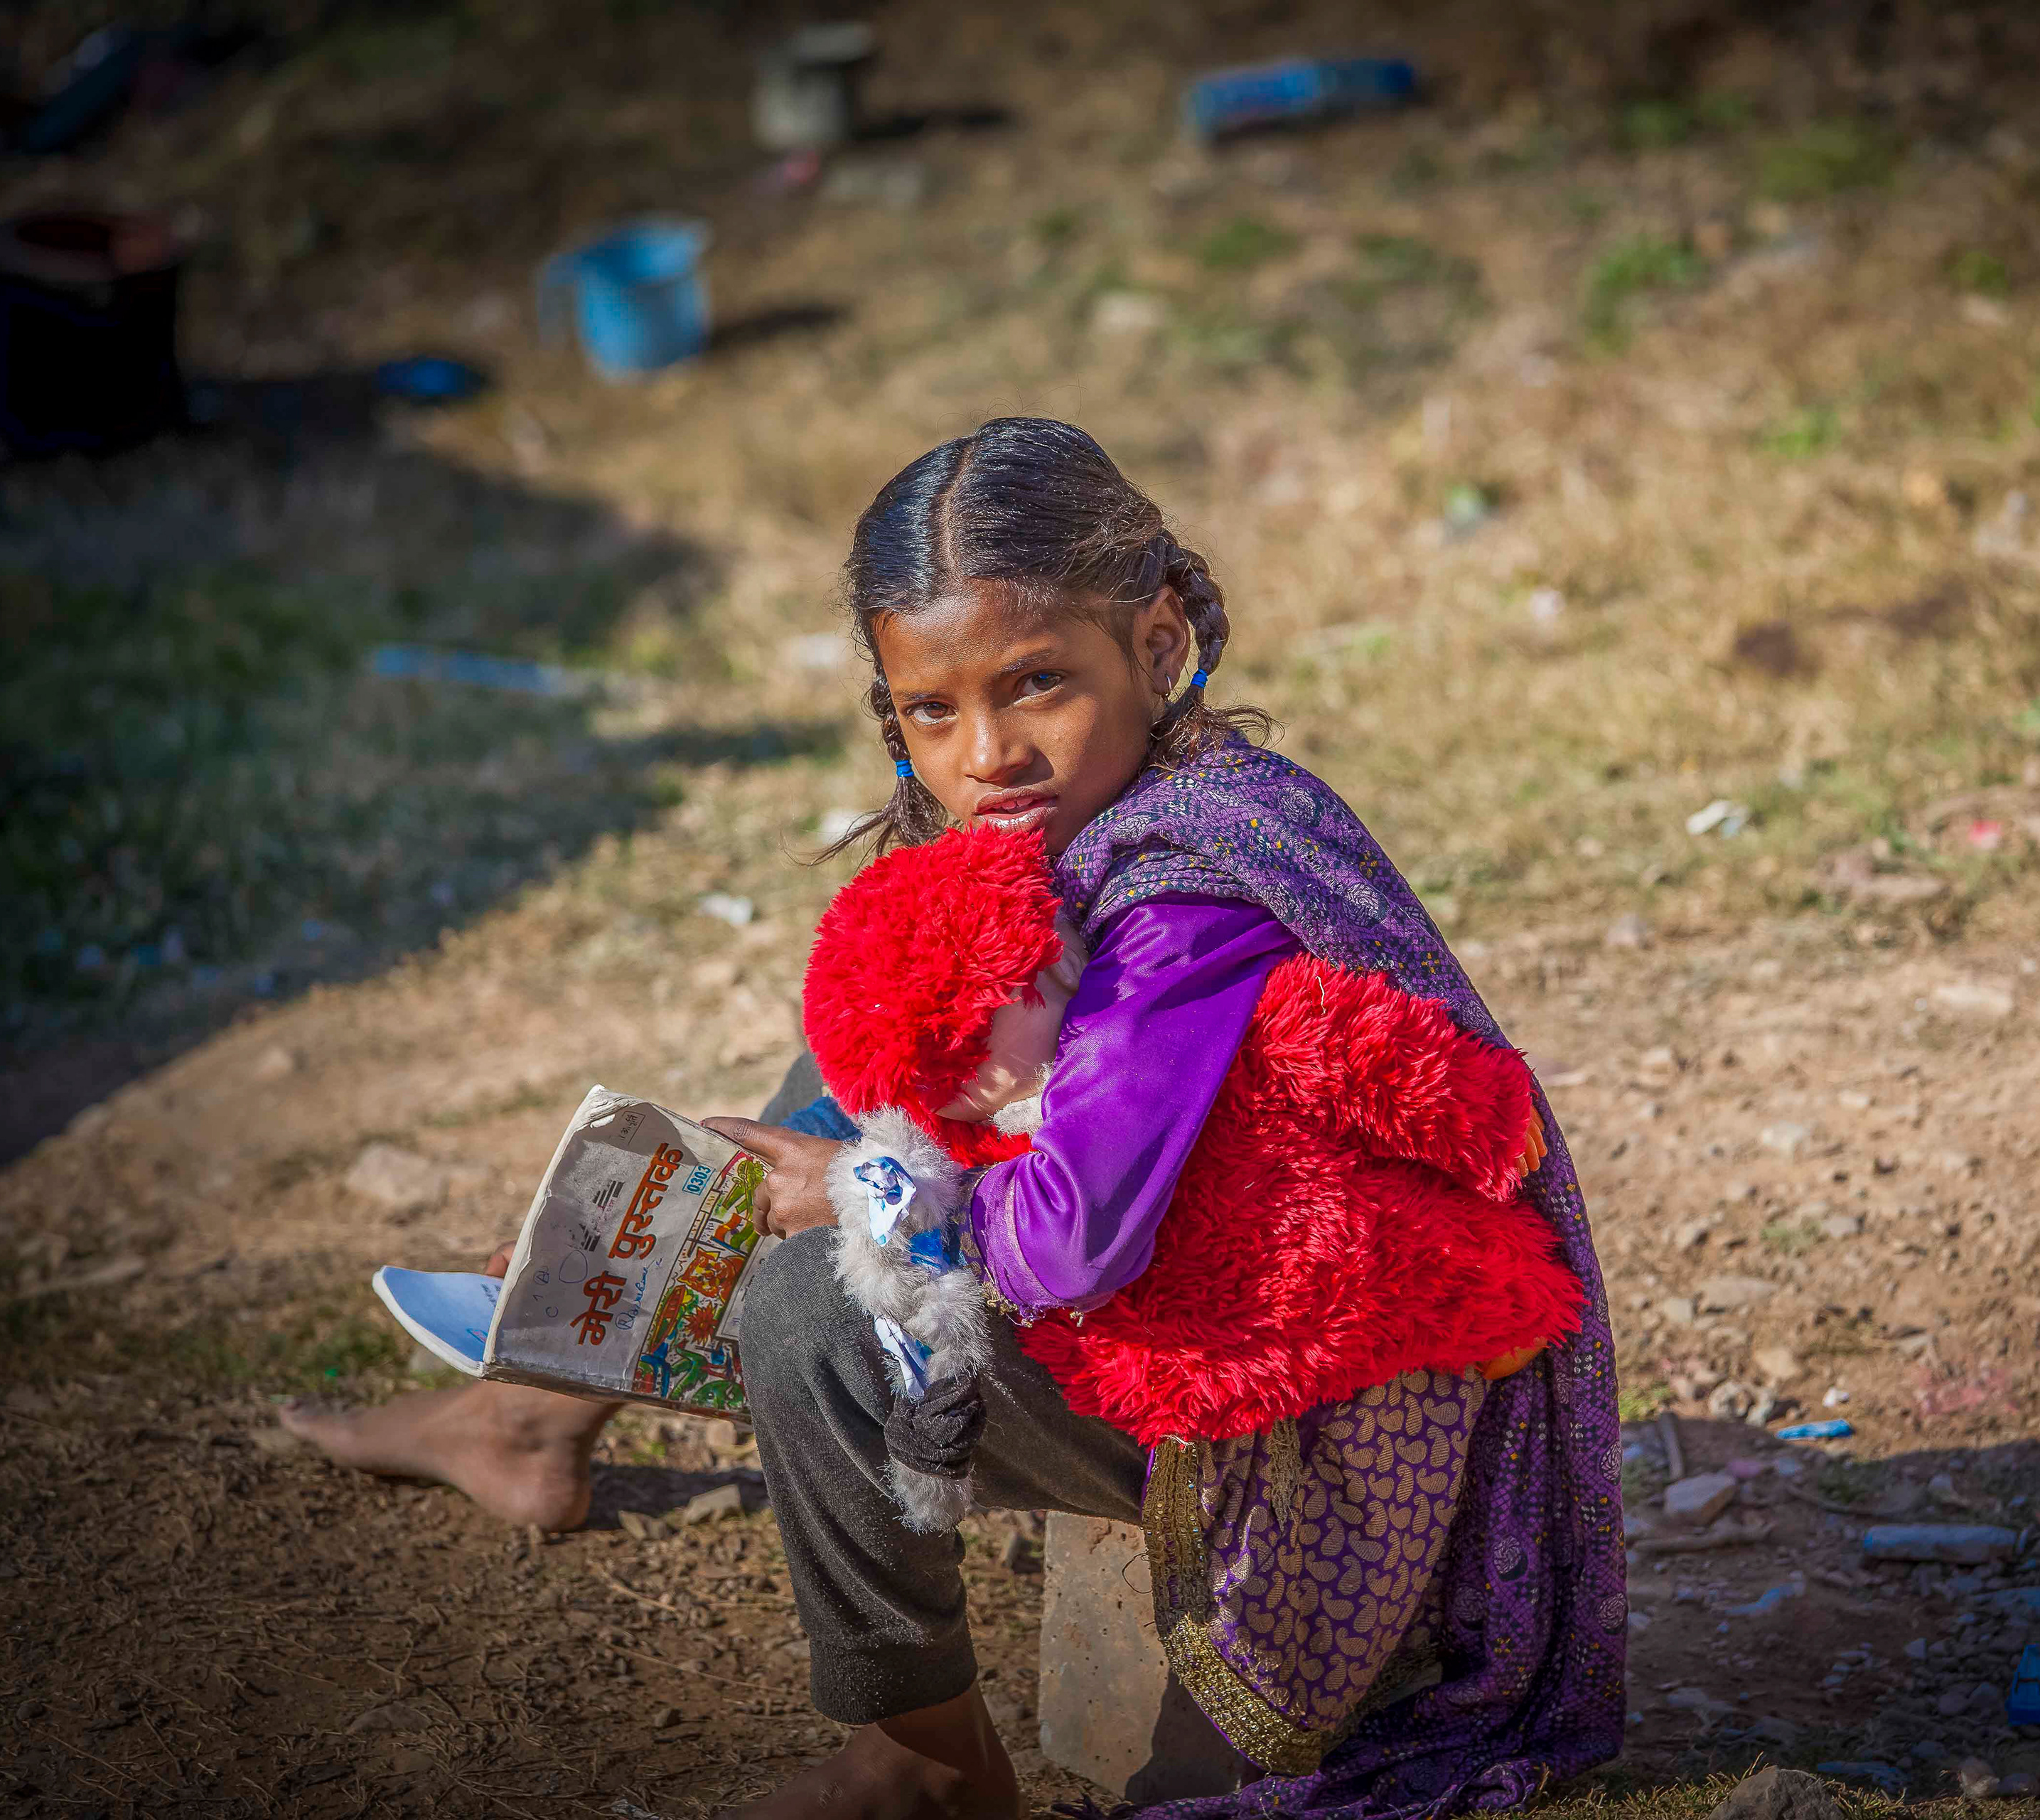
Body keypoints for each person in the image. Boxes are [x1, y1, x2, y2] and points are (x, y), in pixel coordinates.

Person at [282, 418, 1625, 1820]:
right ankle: (548, 1381)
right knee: (889, 1019)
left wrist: (857, 1194)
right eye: (933, 711)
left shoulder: (1179, 897)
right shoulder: (1140, 821)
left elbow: (1071, 1247)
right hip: (1193, 1282)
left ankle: (920, 1767)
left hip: (1273, 1405)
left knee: (812, 1312)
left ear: (1159, 647)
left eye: (1037, 682)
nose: (988, 752)